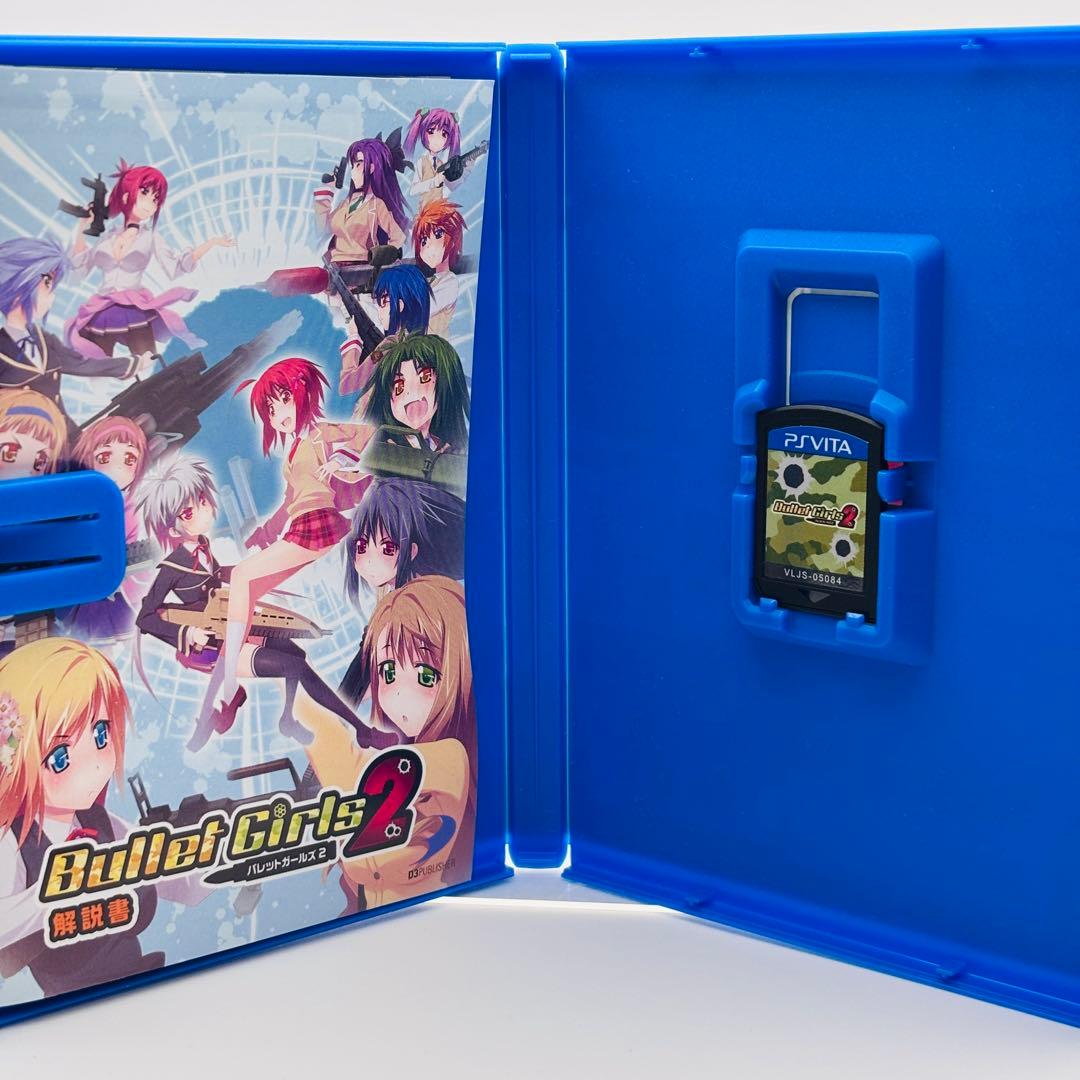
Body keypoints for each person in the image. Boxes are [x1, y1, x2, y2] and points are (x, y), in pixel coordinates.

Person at [135, 455, 389, 750]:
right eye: (189, 512)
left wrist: (261, 565)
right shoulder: (172, 566)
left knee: (297, 655)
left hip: (235, 627)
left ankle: (290, 718)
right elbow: (144, 618)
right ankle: (361, 730)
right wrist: (188, 633)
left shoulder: (204, 547)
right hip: (212, 648)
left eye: (202, 500)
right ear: (172, 528)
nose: (204, 509)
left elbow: (216, 579)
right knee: (294, 667)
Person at [0, 638, 207, 997]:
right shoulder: (15, 842)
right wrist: (56, 894)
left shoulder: (100, 820)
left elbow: (182, 885)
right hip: (69, 1002)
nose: (96, 764)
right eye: (60, 757)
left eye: (101, 735)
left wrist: (219, 850)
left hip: (144, 980)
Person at [299, 576, 476, 912]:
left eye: (426, 676)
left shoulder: (449, 757)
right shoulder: (406, 750)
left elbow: (356, 778)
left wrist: (291, 687)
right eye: (388, 673)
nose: (398, 696)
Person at [66, 159, 233, 362]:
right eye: (144, 193)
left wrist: (211, 243)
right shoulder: (107, 237)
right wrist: (82, 227)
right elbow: (79, 271)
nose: (150, 204)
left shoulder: (150, 237)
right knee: (97, 363)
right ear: (126, 194)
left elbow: (176, 267)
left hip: (134, 308)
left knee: (148, 360)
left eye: (155, 199)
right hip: (102, 308)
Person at [0, 236, 145, 438]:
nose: (52, 295)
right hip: (22, 443)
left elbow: (82, 364)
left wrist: (133, 364)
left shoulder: (45, 339)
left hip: (64, 434)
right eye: (47, 284)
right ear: (18, 285)